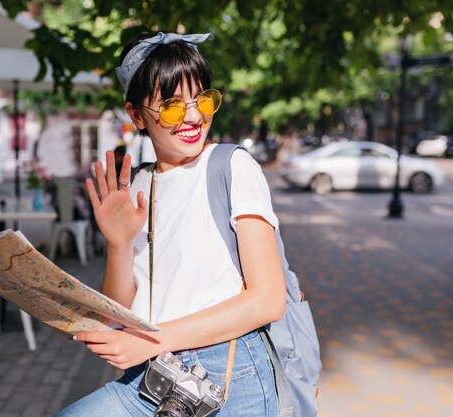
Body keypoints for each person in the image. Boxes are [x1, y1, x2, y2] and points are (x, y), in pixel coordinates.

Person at [53, 31, 286, 417]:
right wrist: (118, 243)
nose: (194, 117)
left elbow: (268, 300)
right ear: (136, 114)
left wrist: (153, 340)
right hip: (150, 378)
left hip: (229, 377)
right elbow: (118, 311)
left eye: (202, 100)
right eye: (173, 106)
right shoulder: (139, 185)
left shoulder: (230, 166)